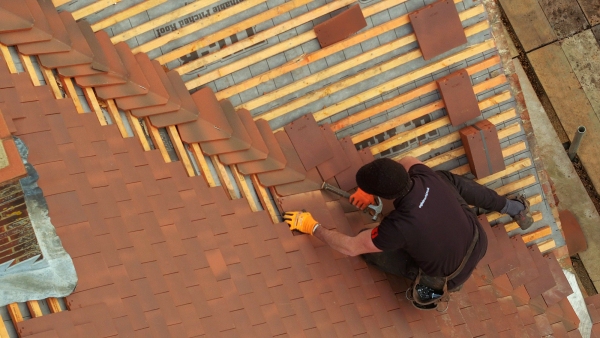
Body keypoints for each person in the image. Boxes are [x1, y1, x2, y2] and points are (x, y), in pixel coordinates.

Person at [283, 156, 532, 302]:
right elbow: (407, 161)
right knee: (446, 179)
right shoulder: (424, 175)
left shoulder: (397, 227)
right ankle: (511, 207)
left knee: (370, 249)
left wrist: (313, 227)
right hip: (477, 239)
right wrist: (369, 189)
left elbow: (349, 247)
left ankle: (433, 287)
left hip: (449, 276)